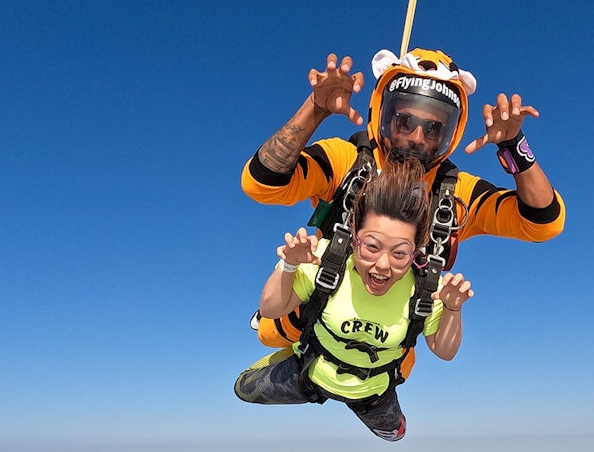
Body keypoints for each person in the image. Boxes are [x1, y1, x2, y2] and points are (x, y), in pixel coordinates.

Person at [242, 48, 564, 362]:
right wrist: (315, 108)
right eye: (405, 121)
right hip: (320, 299)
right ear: (383, 113)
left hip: (387, 336)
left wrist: (514, 149)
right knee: (270, 332)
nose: (417, 138)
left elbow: (542, 222)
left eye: (434, 128)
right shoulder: (346, 161)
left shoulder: (456, 194)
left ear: (453, 131)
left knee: (397, 368)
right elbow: (262, 184)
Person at [234, 160, 474, 442]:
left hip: (372, 395)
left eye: (399, 254)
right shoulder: (325, 260)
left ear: (414, 253)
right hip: (309, 375)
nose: (382, 265)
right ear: (354, 238)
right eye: (371, 247)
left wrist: (453, 308)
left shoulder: (426, 288)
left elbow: (444, 352)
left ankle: (369, 408)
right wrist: (288, 266)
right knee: (242, 388)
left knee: (395, 435)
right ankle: (293, 350)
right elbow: (271, 308)